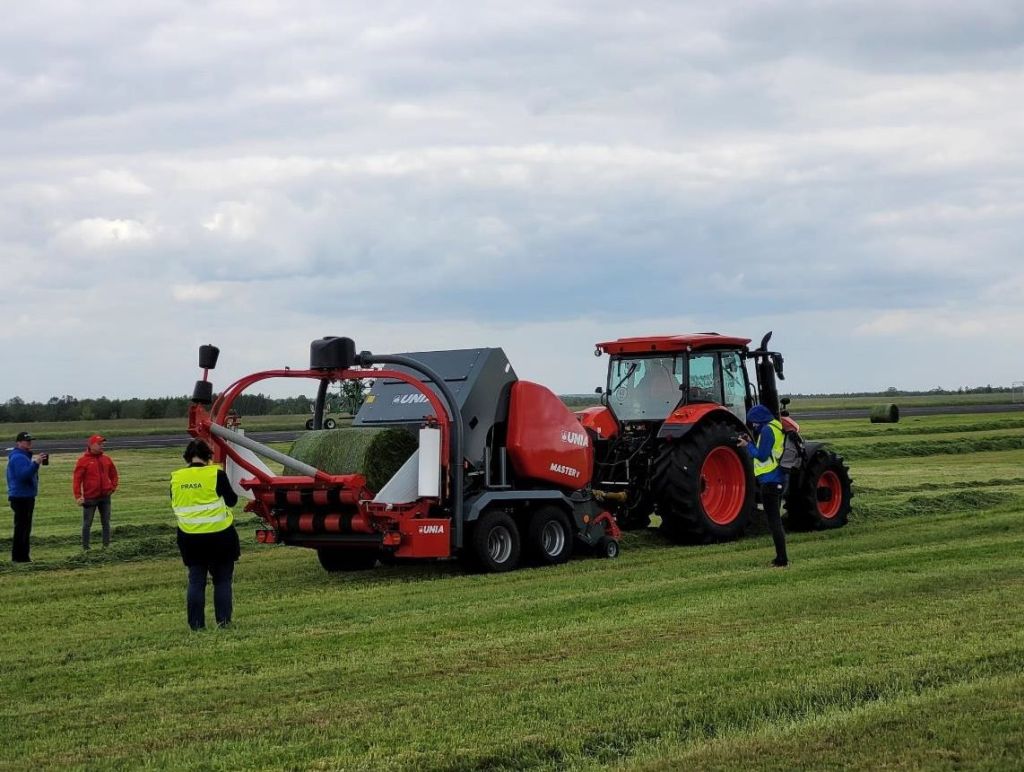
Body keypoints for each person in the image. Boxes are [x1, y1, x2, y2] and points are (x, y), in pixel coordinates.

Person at [170, 439, 240, 630]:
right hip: (220, 537)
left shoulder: (176, 478)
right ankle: (224, 622)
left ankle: (196, 625)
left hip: (190, 538)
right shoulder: (215, 474)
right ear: (209, 456)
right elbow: (232, 501)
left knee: (196, 582)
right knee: (222, 581)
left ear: (187, 457)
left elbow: (174, 501)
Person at [738, 404, 789, 567]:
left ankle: (782, 559)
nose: (753, 426)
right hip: (778, 479)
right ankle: (781, 557)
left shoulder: (767, 430)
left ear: (760, 420)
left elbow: (761, 456)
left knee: (774, 522)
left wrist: (748, 446)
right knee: (775, 521)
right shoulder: (776, 426)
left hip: (770, 480)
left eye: (753, 422)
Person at [6, 432, 47, 563]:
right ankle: (19, 557)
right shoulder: (18, 457)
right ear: (18, 442)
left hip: (24, 496)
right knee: (22, 529)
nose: (29, 443)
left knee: (24, 528)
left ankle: (23, 556)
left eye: (30, 440)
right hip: (21, 497)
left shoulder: (22, 456)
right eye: (26, 441)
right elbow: (23, 475)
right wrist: (36, 463)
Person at [73, 434, 119, 550]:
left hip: (105, 496)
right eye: (99, 444)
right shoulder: (83, 461)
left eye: (102, 444)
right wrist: (78, 496)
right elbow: (77, 480)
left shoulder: (106, 459)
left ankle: (106, 546)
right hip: (90, 497)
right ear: (91, 445)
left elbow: (114, 474)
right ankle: (86, 547)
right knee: (87, 523)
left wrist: (112, 487)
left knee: (106, 522)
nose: (101, 446)